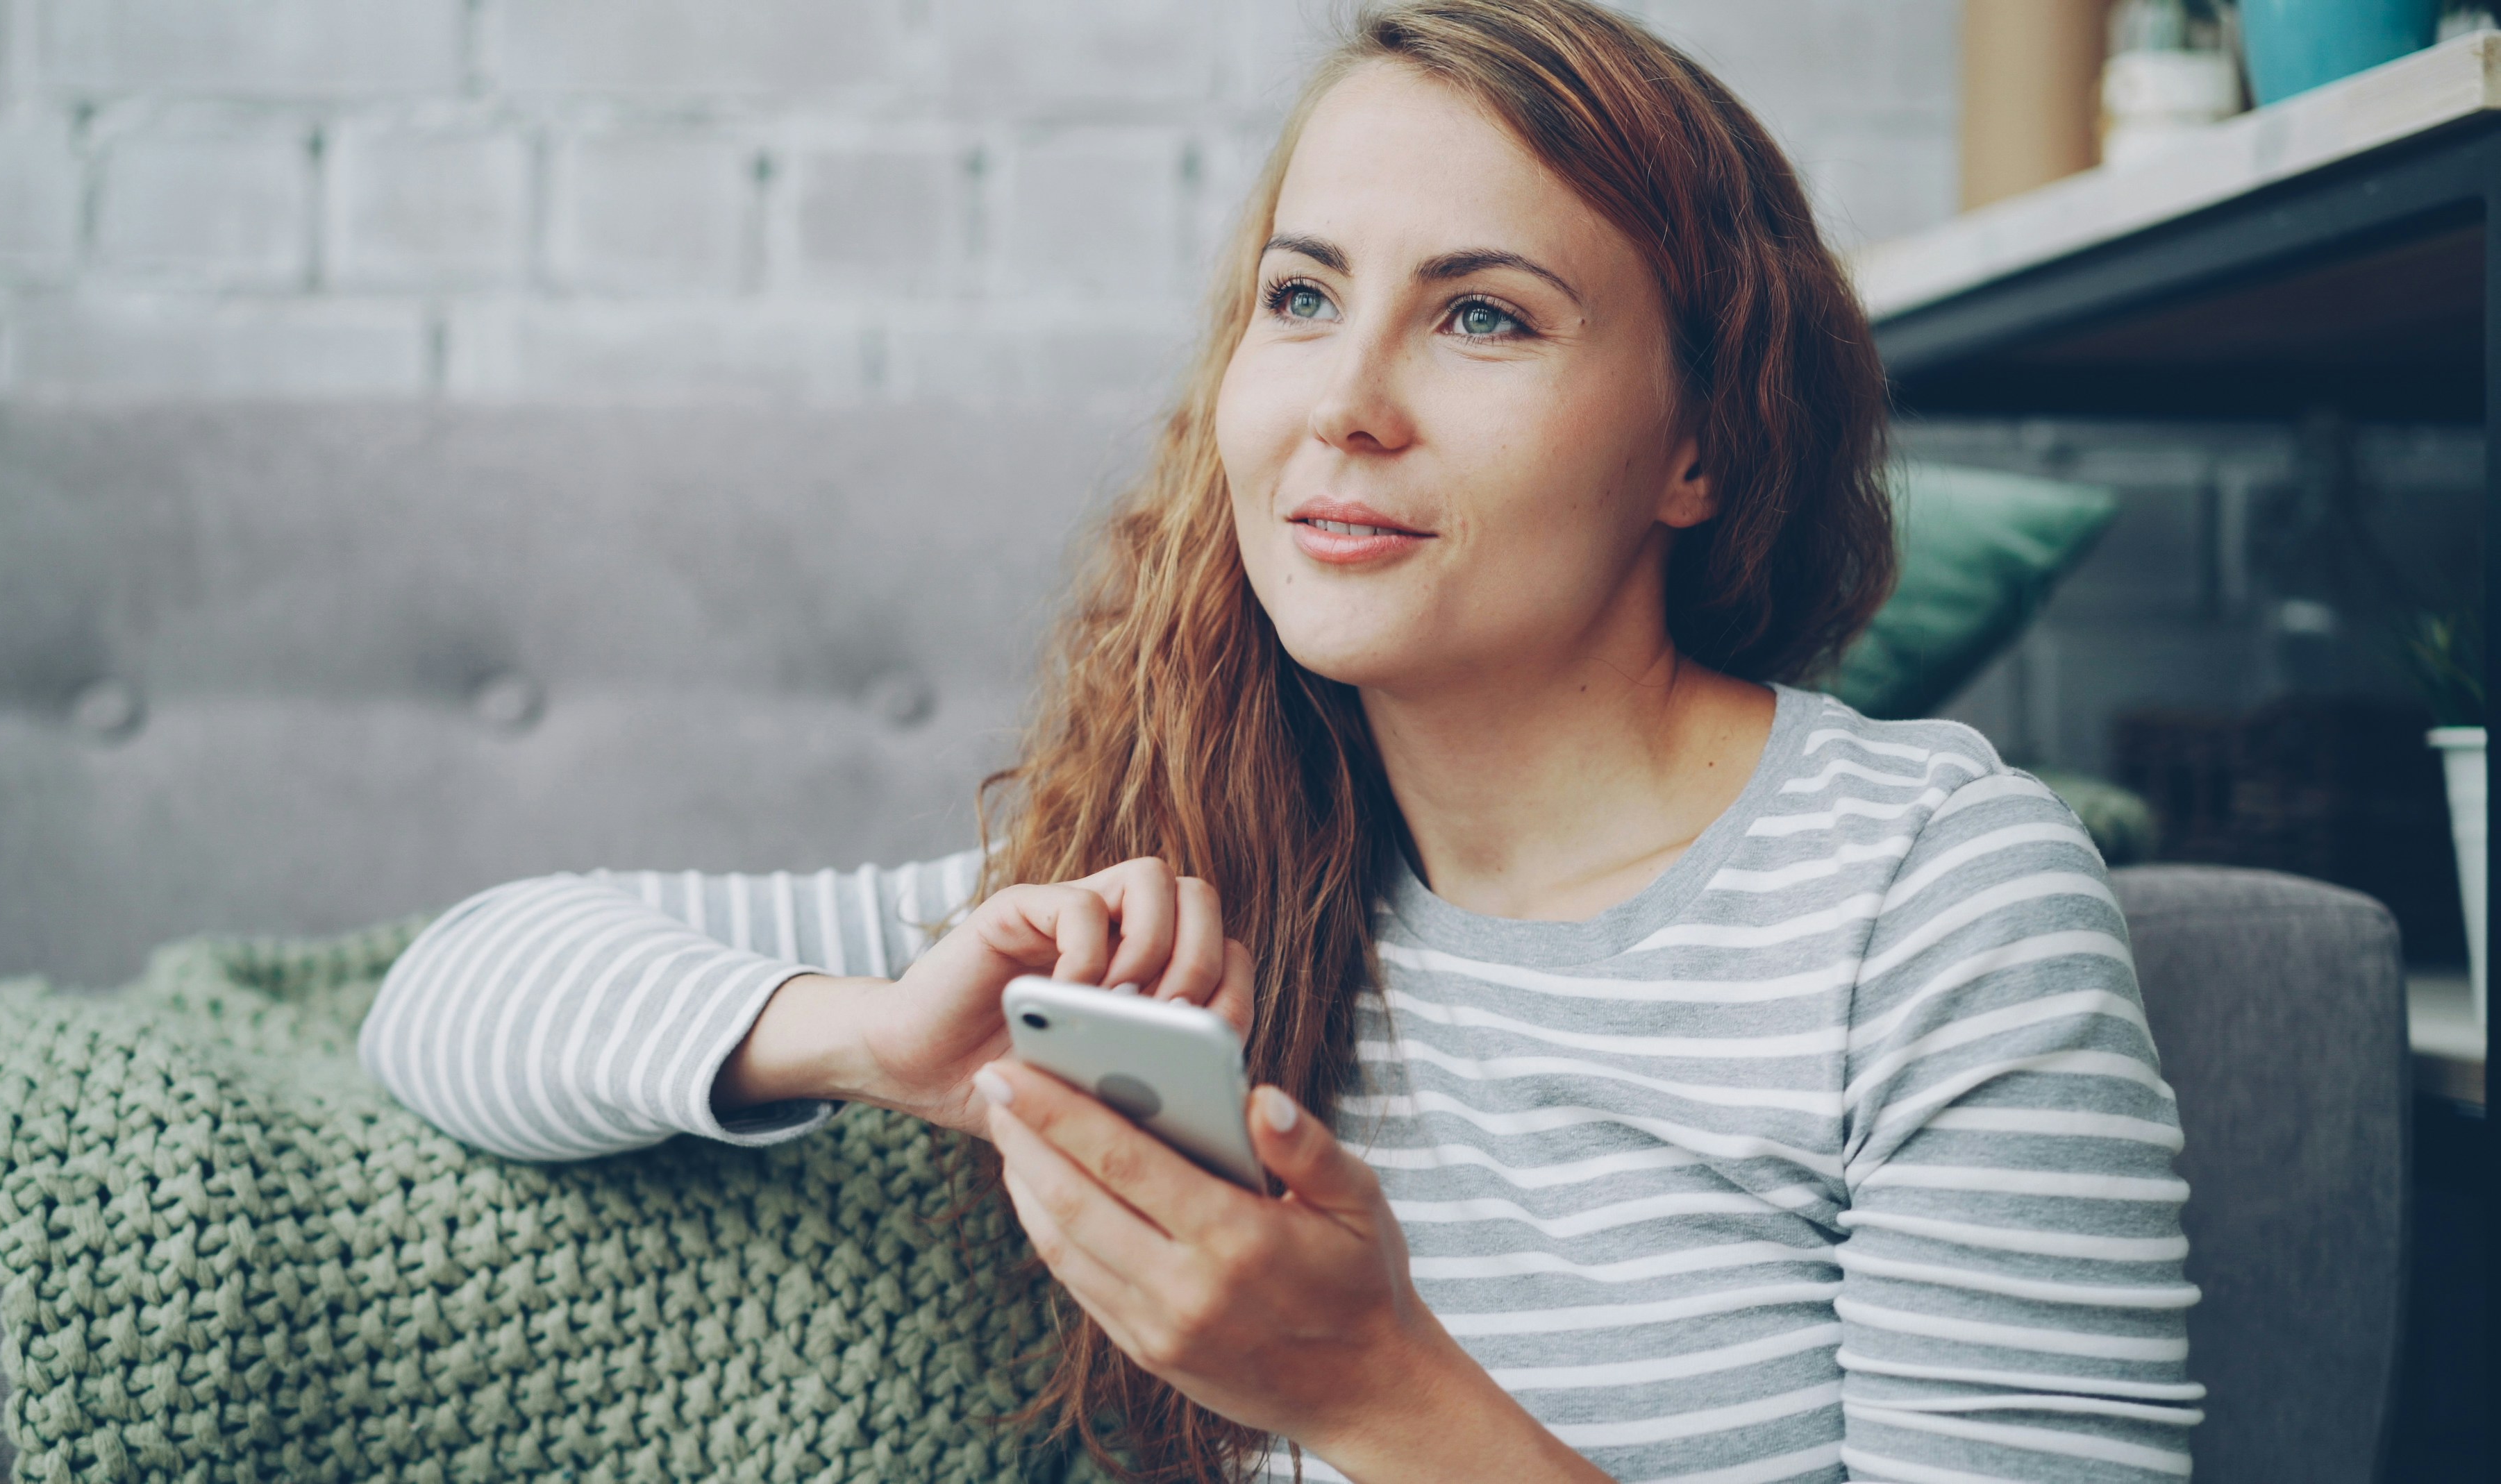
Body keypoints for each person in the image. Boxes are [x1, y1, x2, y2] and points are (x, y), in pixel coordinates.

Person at [361, 3, 2201, 1480]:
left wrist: (1379, 1393)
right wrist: (879, 1040)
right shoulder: (1220, 870)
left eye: (1483, 313)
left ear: (1699, 448)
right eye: (1302, 298)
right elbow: (450, 991)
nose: (1345, 401)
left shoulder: (1935, 900)